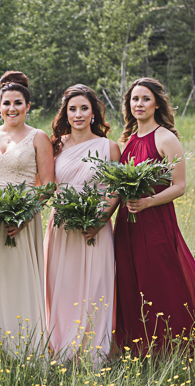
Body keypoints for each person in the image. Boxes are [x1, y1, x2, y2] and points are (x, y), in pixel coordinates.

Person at [113, 77, 195, 354]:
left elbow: (180, 187)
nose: (139, 104)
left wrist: (147, 203)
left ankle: (175, 344)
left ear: (157, 102)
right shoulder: (127, 140)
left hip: (155, 220)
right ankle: (139, 343)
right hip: (127, 223)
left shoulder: (166, 138)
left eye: (145, 98)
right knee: (130, 279)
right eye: (135, 99)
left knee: (160, 278)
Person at [0, 71, 55, 352]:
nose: (12, 108)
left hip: (22, 218)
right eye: (7, 103)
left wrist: (24, 214)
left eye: (18, 103)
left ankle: (23, 346)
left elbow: (48, 186)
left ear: (28, 106)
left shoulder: (38, 137)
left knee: (17, 278)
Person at [43, 84, 120, 363]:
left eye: (84, 108)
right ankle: (60, 347)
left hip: (96, 227)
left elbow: (116, 188)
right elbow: (46, 185)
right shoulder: (56, 145)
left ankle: (93, 350)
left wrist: (100, 219)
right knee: (61, 286)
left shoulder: (109, 147)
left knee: (95, 285)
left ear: (94, 112)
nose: (78, 114)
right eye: (72, 109)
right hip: (62, 226)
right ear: (65, 112)